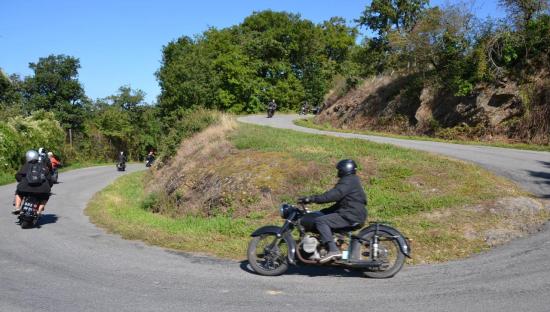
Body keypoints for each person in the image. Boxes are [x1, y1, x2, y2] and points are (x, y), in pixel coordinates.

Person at [298, 159, 367, 263]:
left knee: (321, 221)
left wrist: (312, 199)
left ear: (344, 169)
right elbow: (341, 204)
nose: (338, 172)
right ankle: (328, 249)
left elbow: (333, 195)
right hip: (352, 213)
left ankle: (333, 250)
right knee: (322, 218)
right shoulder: (352, 180)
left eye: (339, 169)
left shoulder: (348, 180)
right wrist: (323, 212)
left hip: (351, 214)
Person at [12, 150, 52, 216]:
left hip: (25, 188)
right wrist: (49, 186)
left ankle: (17, 207)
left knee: (18, 192)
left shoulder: (26, 165)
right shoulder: (43, 166)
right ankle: (39, 211)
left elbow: (18, 176)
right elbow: (50, 179)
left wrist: (22, 180)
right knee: (46, 196)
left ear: (27, 157)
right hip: (41, 190)